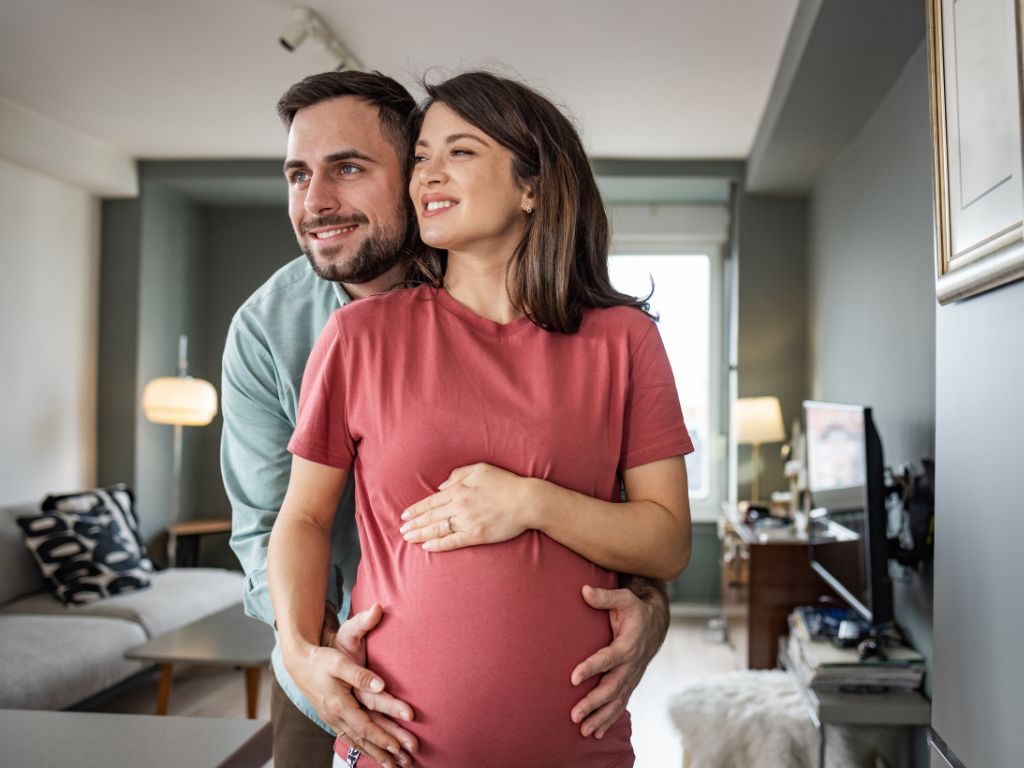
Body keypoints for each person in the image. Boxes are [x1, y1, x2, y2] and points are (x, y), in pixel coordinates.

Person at [223, 70, 678, 768]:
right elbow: (279, 522)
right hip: (344, 668)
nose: (316, 201)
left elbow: (648, 528)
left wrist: (647, 604)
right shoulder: (287, 331)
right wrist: (305, 651)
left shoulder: (616, 338)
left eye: (349, 168)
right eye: (298, 175)